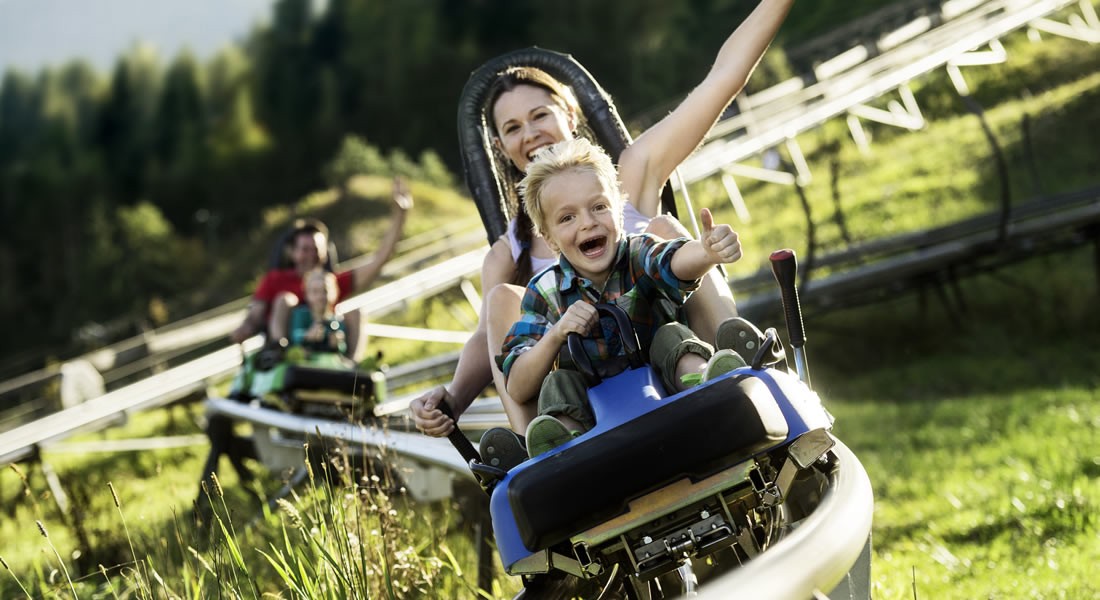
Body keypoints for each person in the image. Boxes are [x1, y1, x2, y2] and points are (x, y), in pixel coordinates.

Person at [412, 0, 791, 437]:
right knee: (500, 298)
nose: (530, 134)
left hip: (670, 347)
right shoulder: (508, 253)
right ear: (501, 147)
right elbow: (488, 341)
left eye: (539, 116)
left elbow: (724, 77)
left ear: (569, 114)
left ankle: (730, 367)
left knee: (664, 230)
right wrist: (453, 398)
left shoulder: (628, 175)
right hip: (583, 388)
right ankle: (542, 442)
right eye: (513, 128)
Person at [499, 138, 749, 456]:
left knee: (672, 335)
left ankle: (703, 380)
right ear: (549, 239)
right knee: (556, 382)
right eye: (567, 218)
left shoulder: (637, 251)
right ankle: (563, 440)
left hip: (665, 386)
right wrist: (556, 334)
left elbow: (671, 261)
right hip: (593, 419)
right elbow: (518, 385)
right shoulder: (544, 291)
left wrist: (706, 252)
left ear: (618, 211)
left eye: (599, 207)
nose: (588, 222)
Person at [230, 176, 413, 360]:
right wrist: (245, 328)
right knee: (285, 300)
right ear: (292, 253)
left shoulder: (331, 282)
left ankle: (350, 366)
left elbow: (379, 259)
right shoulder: (275, 280)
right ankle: (282, 351)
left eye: (316, 250)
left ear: (325, 253)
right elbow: (255, 315)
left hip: (326, 350)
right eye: (304, 250)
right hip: (291, 351)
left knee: (355, 312)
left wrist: (401, 215)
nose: (310, 255)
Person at [288, 268, 348, 354]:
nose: (320, 296)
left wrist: (338, 343)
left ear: (334, 293)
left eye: (325, 291)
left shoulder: (336, 320)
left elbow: (343, 348)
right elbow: (294, 336)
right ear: (307, 294)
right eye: (315, 292)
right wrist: (307, 335)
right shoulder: (300, 314)